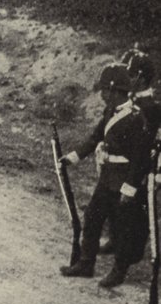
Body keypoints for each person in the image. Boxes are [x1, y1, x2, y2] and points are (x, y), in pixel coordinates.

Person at [58, 63, 151, 288]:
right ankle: (86, 263)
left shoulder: (136, 118)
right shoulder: (110, 112)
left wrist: (130, 188)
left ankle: (118, 271)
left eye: (104, 91)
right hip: (106, 177)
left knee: (122, 228)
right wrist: (73, 157)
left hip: (123, 181)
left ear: (115, 91)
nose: (101, 95)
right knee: (92, 218)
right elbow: (95, 137)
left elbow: (140, 159)